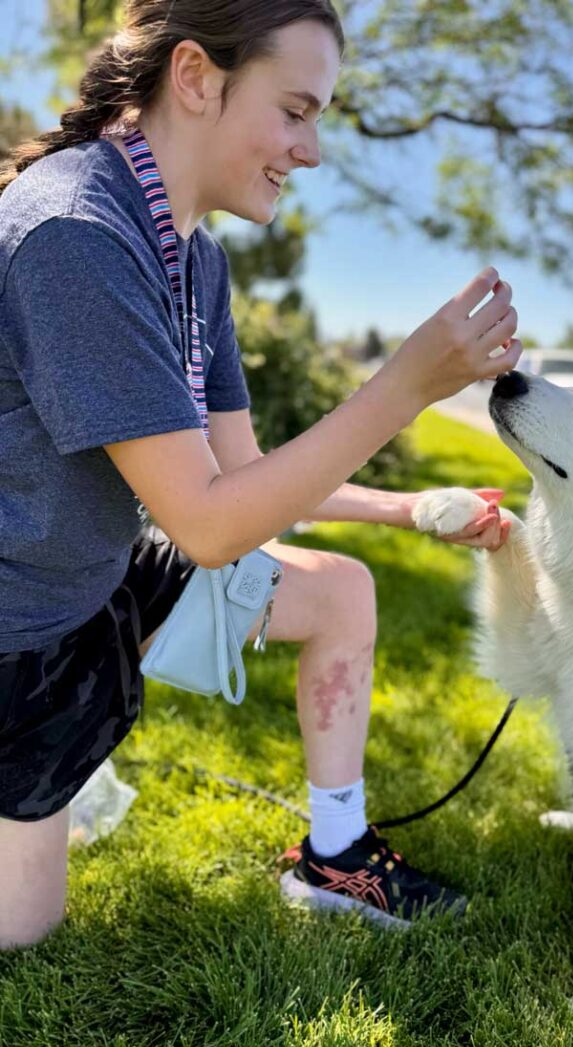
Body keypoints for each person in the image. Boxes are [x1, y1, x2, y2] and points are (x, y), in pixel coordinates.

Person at [0, 0, 521, 948]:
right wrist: (405, 387)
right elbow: (208, 526)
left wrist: (408, 508)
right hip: (18, 635)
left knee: (341, 592)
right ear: (196, 77)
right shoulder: (75, 232)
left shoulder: (193, 258)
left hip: (100, 580)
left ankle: (336, 854)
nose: (310, 151)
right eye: (295, 111)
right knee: (24, 927)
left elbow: (243, 480)